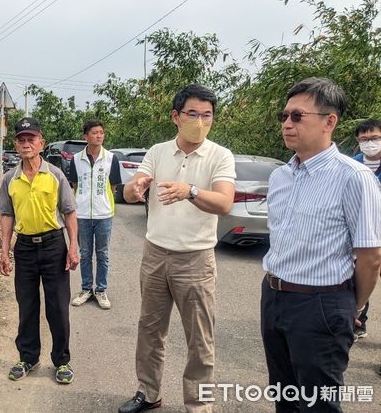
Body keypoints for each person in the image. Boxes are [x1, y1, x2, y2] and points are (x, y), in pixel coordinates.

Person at [261, 78, 381, 411]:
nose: (287, 124)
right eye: (284, 116)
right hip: (273, 295)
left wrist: (351, 308)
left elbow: (370, 257)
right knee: (284, 395)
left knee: (318, 404)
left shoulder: (354, 178)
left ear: (330, 121)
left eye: (298, 116)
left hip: (321, 304)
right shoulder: (280, 176)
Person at [120, 84, 236, 413]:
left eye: (207, 115)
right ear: (176, 116)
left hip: (195, 260)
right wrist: (136, 186)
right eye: (192, 114)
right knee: (150, 330)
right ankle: (149, 392)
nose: (200, 121)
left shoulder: (219, 156)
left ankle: (198, 405)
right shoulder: (157, 152)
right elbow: (131, 192)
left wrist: (190, 191)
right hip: (155, 254)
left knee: (200, 339)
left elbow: (225, 202)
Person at [0, 117, 80, 384]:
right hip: (25, 249)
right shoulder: (10, 178)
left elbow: (69, 212)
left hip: (54, 245)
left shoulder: (55, 175)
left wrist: (73, 247)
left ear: (41, 143)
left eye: (31, 139)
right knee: (27, 306)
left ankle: (62, 361)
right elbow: (6, 215)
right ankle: (28, 357)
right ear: (16, 145)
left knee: (57, 307)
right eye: (21, 139)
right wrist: (4, 252)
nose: (26, 143)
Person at [68, 120, 121, 309]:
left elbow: (113, 186)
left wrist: (102, 202)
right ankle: (86, 289)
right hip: (81, 214)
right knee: (85, 253)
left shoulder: (111, 159)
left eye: (101, 132)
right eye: (94, 133)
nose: (98, 136)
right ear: (86, 136)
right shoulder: (75, 160)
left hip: (104, 214)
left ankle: (101, 290)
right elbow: (75, 185)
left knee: (102, 254)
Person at [351, 119, 381, 342]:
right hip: (362, 232)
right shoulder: (352, 166)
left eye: (375, 138)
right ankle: (359, 322)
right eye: (364, 140)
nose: (369, 143)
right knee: (360, 276)